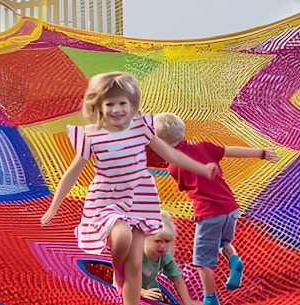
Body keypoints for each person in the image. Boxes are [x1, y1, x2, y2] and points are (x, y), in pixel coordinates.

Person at [40, 72, 218, 305]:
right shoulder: (91, 136)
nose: (117, 109)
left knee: (135, 264)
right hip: (107, 198)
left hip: (139, 197)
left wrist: (201, 169)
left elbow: (170, 154)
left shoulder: (141, 129)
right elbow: (72, 172)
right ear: (98, 107)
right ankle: (118, 275)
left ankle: (128, 294)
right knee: (122, 236)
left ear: (132, 105)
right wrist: (53, 207)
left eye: (123, 103)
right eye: (110, 104)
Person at [153, 112, 279, 305]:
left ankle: (210, 299)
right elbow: (231, 150)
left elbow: (186, 187)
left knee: (202, 261)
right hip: (231, 207)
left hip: (210, 214)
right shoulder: (204, 146)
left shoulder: (174, 167)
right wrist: (261, 152)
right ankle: (234, 260)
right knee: (222, 242)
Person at [142, 210, 201, 305]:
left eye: (167, 241)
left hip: (151, 293)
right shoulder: (136, 254)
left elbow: (177, 278)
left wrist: (188, 301)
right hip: (128, 292)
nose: (162, 246)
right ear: (145, 237)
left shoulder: (165, 257)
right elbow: (123, 279)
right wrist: (141, 292)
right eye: (158, 241)